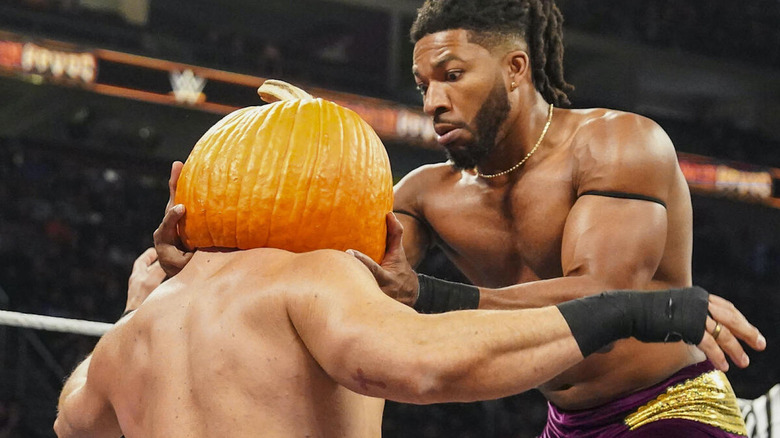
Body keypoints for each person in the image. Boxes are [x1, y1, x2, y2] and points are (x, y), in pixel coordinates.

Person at [149, 1, 769, 436]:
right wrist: (206, 256)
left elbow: (606, 298)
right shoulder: (425, 194)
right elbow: (329, 270)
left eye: (452, 75)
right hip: (563, 423)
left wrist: (431, 296)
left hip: (666, 411)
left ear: (516, 69)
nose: (434, 100)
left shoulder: (617, 144)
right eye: (422, 84)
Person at [56, 95, 761, 436]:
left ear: (185, 185)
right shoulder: (314, 276)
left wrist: (133, 306)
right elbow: (426, 366)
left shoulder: (142, 325)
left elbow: (73, 424)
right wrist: (633, 309)